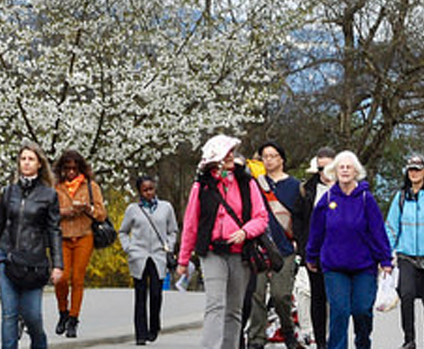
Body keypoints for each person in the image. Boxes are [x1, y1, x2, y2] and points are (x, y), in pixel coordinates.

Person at [177, 134, 269, 349]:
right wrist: (183, 260)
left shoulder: (247, 183)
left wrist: (245, 232)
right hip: (212, 252)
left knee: (234, 309)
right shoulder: (201, 187)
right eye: (226, 153)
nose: (230, 157)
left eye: (232, 153)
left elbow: (261, 217)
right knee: (215, 305)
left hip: (240, 252)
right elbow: (191, 224)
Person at [0, 141, 65, 349]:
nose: (26, 163)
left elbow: (54, 230)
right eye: (23, 159)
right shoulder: (9, 192)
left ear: (39, 164)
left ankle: (39, 344)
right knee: (9, 314)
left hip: (34, 262)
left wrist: (58, 264)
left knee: (32, 316)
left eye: (31, 159)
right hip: (7, 258)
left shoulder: (49, 195)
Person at [305, 150, 393, 349]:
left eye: (349, 167)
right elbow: (316, 231)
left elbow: (377, 231)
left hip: (364, 266)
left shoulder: (365, 199)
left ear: (356, 172)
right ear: (334, 172)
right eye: (341, 167)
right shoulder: (327, 199)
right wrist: (311, 256)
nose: (344, 170)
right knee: (340, 311)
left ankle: (363, 342)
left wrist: (385, 260)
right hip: (334, 266)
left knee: (362, 310)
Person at [384, 155, 424, 349]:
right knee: (407, 295)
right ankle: (409, 339)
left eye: (418, 169)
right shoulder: (401, 197)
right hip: (406, 255)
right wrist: (387, 253)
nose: (414, 173)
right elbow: (391, 227)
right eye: (411, 169)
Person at [247, 141, 302, 349]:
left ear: (282, 159)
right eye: (265, 156)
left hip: (284, 248)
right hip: (259, 247)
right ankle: (256, 338)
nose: (268, 160)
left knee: (281, 295)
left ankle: (287, 329)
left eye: (273, 156)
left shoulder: (295, 186)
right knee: (256, 294)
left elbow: (300, 217)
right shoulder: (254, 184)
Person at [52, 149, 107, 338]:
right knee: (61, 277)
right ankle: (63, 312)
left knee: (77, 278)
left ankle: (74, 319)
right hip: (62, 236)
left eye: (74, 168)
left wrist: (87, 208)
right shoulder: (55, 187)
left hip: (84, 235)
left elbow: (101, 214)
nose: (71, 172)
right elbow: (47, 212)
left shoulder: (90, 186)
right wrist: (64, 212)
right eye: (67, 168)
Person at [118, 175, 178, 346]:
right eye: (145, 190)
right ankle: (141, 334)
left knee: (156, 294)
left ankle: (154, 325)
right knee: (140, 295)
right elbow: (123, 231)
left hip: (159, 255)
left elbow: (173, 230)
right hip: (139, 256)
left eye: (151, 189)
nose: (149, 193)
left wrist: (170, 246)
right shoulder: (133, 209)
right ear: (139, 191)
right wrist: (129, 248)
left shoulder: (166, 207)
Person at [292, 147, 336, 349]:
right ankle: (321, 342)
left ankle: (336, 338)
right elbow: (298, 221)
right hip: (316, 252)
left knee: (338, 300)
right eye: (320, 168)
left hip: (341, 252)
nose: (324, 172)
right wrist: (303, 248)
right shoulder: (307, 190)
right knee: (318, 297)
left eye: (328, 167)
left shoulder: (348, 188)